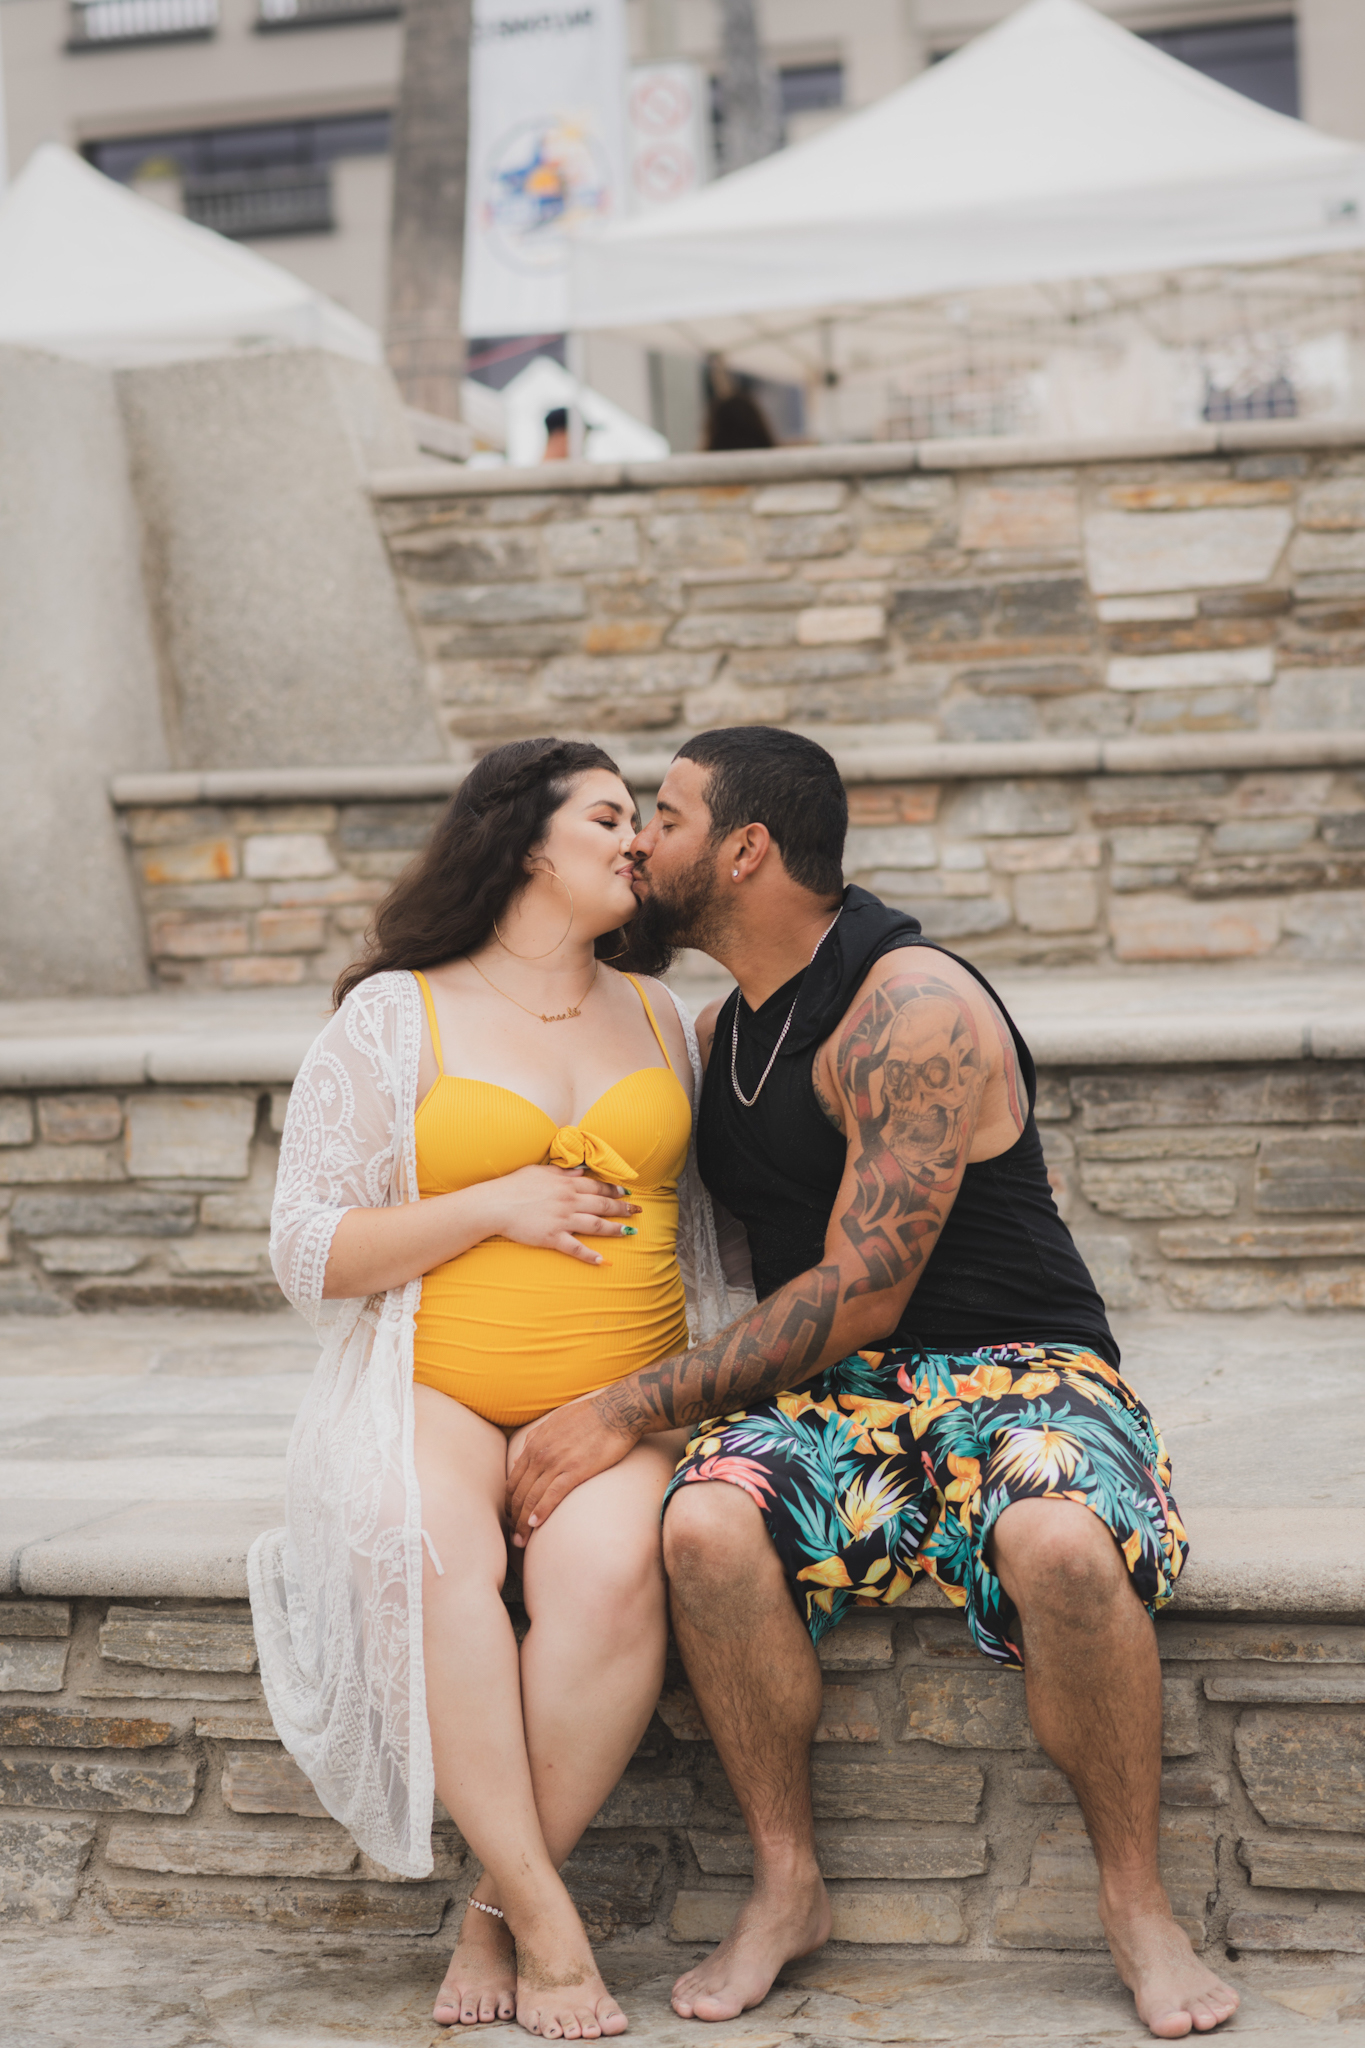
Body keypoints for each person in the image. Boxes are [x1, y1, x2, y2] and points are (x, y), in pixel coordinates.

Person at [506, 727, 1241, 2042]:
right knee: (704, 1525)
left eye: (661, 818)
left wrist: (620, 1409)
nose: (636, 843)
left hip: (1021, 1367)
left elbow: (862, 1286)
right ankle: (787, 1885)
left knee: (1059, 1543)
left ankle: (1135, 1903)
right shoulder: (722, 1028)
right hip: (850, 1398)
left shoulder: (907, 1000)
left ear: (744, 848)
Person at [249, 738, 739, 2042]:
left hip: (614, 1406)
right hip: (436, 1386)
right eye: (606, 816)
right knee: (424, 1553)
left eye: (643, 818)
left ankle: (490, 1908)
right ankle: (552, 1924)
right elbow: (306, 1249)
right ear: (524, 840)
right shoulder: (395, 1015)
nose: (636, 839)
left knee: (611, 1577)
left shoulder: (657, 1018)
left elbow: (712, 1233)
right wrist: (487, 1205)